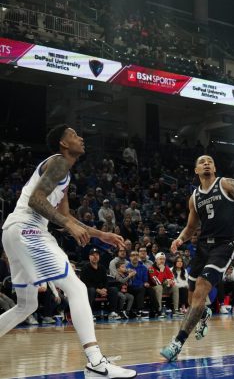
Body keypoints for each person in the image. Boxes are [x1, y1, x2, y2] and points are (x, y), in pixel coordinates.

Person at [0, 125, 135, 378]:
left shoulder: (64, 173)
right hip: (28, 229)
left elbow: (65, 216)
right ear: (63, 143)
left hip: (13, 231)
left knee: (26, 305)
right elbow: (36, 201)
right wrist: (69, 225)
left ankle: (96, 363)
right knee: (77, 288)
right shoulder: (59, 162)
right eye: (74, 135)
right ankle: (96, 362)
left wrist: (100, 234)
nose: (81, 138)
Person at [160, 155, 234, 361]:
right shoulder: (194, 197)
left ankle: (177, 342)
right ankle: (204, 314)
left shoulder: (226, 184)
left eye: (210, 161)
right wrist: (180, 239)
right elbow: (191, 226)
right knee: (193, 296)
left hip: (224, 244)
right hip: (202, 247)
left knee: (202, 287)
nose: (206, 163)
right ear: (196, 170)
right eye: (202, 162)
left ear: (215, 167)